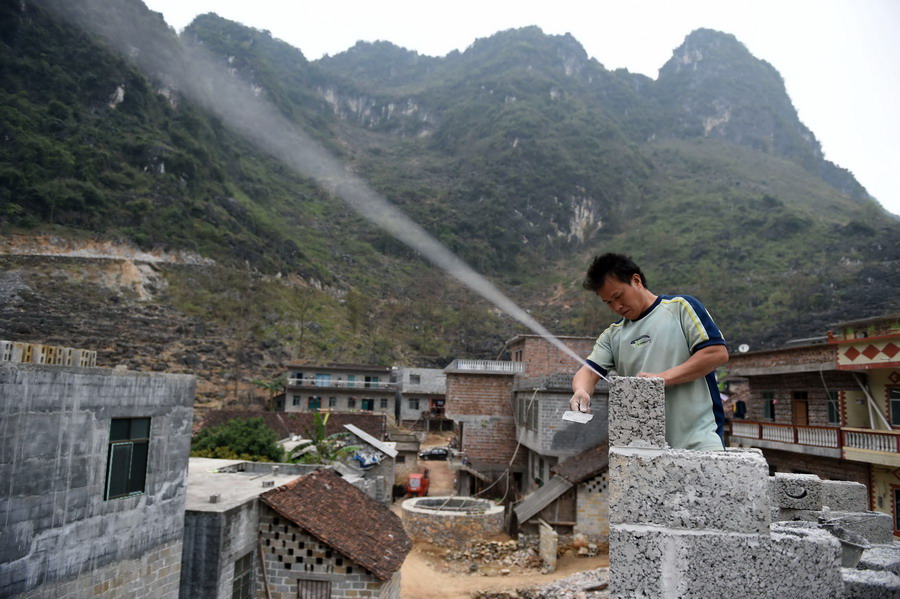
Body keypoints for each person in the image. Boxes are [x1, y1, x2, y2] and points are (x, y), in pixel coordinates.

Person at [569, 253, 729, 450]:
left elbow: (716, 353)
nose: (616, 306)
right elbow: (588, 372)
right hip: (644, 450)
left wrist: (661, 379)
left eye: (618, 296)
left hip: (699, 443)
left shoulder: (680, 308)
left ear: (636, 280)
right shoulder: (612, 336)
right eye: (608, 302)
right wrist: (581, 391)